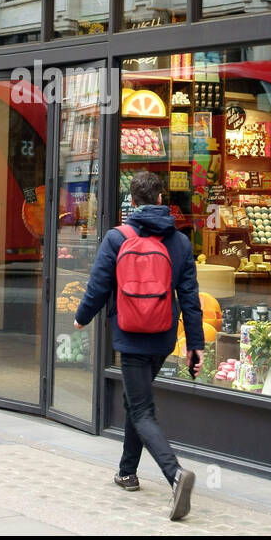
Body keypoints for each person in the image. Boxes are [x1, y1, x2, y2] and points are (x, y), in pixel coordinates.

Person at [73, 170, 203, 520]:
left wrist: (82, 317)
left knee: (141, 409)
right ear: (162, 199)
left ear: (132, 202)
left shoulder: (117, 238)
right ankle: (127, 472)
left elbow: (98, 284)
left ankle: (175, 475)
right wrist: (196, 344)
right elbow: (190, 299)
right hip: (162, 337)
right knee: (136, 400)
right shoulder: (180, 243)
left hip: (130, 337)